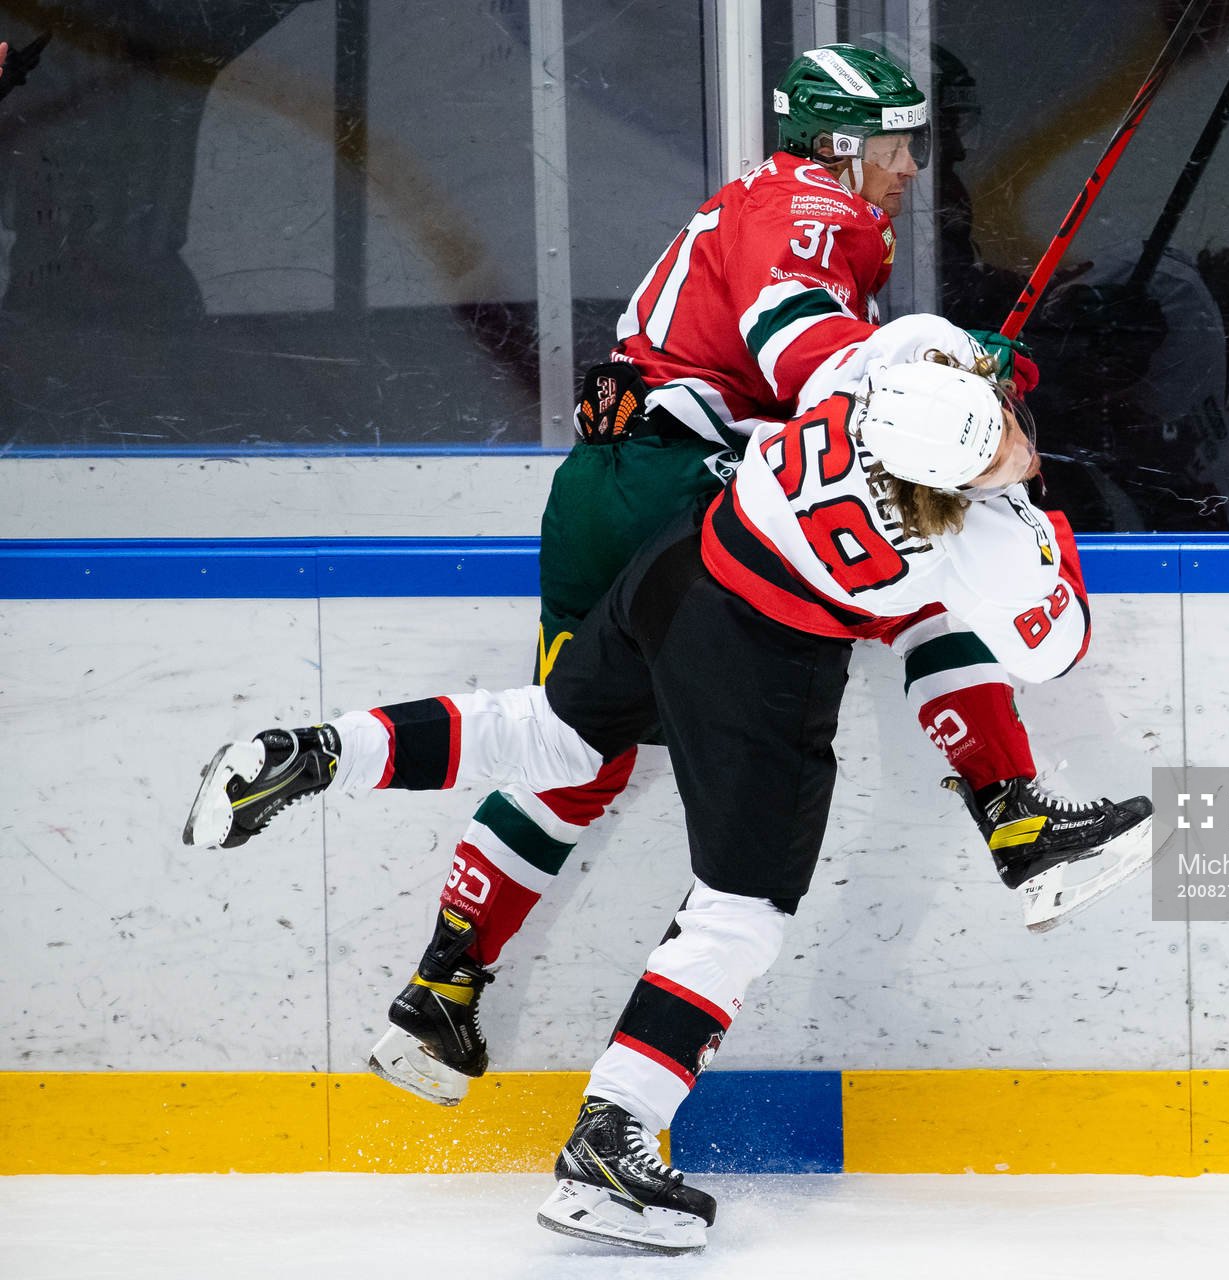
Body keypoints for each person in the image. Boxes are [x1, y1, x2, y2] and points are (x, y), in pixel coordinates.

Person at [285, 43, 1150, 1109]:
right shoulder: (811, 210)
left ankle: (440, 988)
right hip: (678, 487)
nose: (911, 166)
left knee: (573, 745)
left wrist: (942, 371)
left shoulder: (771, 202)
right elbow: (806, 358)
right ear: (838, 144)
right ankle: (1015, 816)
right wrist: (955, 379)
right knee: (931, 589)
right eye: (894, 144)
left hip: (611, 484)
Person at [184, 342, 1146, 1253]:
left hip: (682, 566)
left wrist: (967, 398)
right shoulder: (980, 543)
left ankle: (314, 752)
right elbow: (1052, 651)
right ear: (946, 487)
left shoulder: (868, 392)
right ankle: (611, 1140)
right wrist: (1038, 524)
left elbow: (883, 354)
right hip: (765, 668)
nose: (1017, 444)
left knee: (552, 733)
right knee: (741, 911)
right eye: (995, 449)